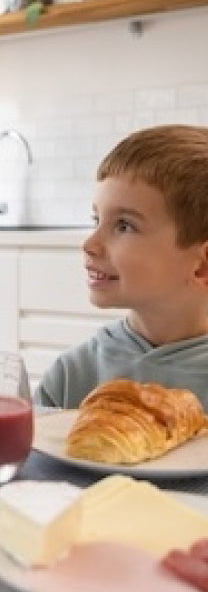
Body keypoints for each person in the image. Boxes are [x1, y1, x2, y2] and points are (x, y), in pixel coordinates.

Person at [35, 124, 208, 411]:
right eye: (96, 220)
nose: (90, 244)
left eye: (124, 226)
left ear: (202, 265)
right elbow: (27, 452)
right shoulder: (72, 374)